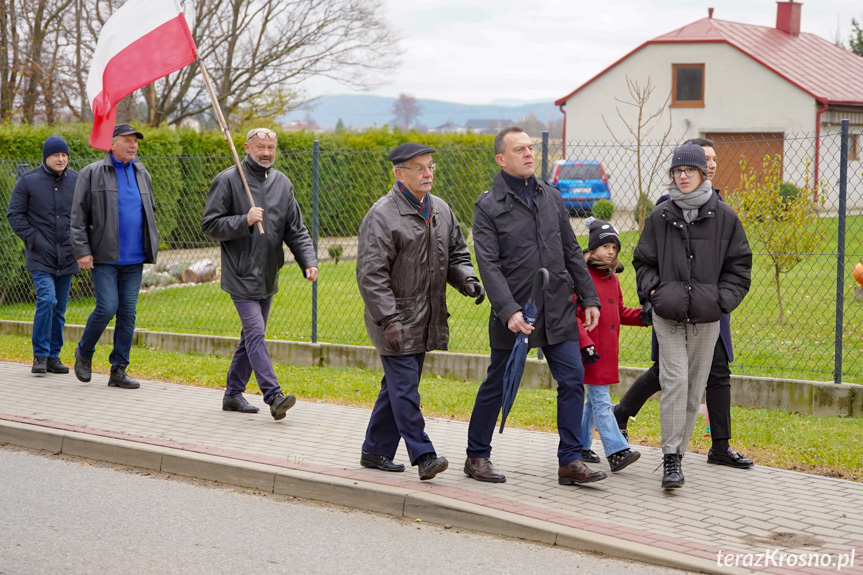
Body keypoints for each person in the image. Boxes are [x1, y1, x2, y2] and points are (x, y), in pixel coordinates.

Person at [466, 126, 606, 486]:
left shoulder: (551, 196)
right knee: (498, 381)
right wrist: (508, 309)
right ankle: (477, 456)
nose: (529, 154)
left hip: (558, 305)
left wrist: (588, 296)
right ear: (501, 159)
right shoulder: (488, 206)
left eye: (530, 148)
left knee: (573, 379)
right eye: (519, 149)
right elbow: (488, 264)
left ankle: (570, 461)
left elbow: (571, 250)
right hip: (516, 311)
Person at [614, 138, 755, 470]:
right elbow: (644, 260)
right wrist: (654, 295)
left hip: (707, 314)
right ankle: (671, 456)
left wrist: (722, 300)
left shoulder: (724, 215)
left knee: (701, 382)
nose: (684, 175)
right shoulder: (662, 213)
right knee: (673, 378)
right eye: (679, 169)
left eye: (691, 169)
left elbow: (739, 264)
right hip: (670, 312)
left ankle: (716, 445)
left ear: (703, 173)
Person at [356, 142, 484, 481]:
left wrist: (468, 280)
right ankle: (424, 454)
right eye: (418, 167)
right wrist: (388, 319)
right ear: (399, 173)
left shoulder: (440, 209)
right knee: (405, 389)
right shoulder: (382, 215)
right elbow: (371, 274)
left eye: (430, 166)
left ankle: (375, 450)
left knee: (396, 387)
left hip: (426, 316)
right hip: (394, 320)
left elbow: (456, 254)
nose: (427, 173)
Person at [202, 128, 318, 421]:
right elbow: (210, 224)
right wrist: (245, 220)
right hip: (240, 273)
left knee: (249, 338)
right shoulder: (229, 179)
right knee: (255, 333)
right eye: (260, 147)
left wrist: (308, 260)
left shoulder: (282, 183)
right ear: (246, 147)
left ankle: (232, 394)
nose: (266, 153)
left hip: (268, 273)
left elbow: (296, 230)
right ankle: (273, 395)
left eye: (271, 147)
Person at [70, 124, 158, 390]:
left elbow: (149, 211)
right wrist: (82, 250)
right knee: (108, 307)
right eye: (128, 141)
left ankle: (118, 370)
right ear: (112, 144)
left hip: (134, 258)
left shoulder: (142, 172)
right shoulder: (92, 173)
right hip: (104, 257)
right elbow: (78, 217)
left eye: (135, 142)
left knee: (128, 313)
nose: (133, 146)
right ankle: (84, 352)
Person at [576, 218, 644, 473]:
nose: (610, 252)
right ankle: (616, 451)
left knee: (593, 402)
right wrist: (585, 344)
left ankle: (581, 446)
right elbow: (573, 315)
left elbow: (620, 312)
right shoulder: (581, 276)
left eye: (614, 248)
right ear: (592, 249)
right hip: (590, 351)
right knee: (602, 401)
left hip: (607, 351)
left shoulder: (612, 279)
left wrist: (643, 317)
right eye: (605, 246)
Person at [7, 136, 79, 374]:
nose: (61, 159)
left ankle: (53, 357)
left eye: (64, 155)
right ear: (46, 157)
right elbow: (14, 215)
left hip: (67, 256)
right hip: (41, 256)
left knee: (59, 309)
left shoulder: (77, 181)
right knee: (47, 300)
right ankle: (39, 355)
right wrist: (35, 240)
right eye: (56, 155)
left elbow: (84, 215)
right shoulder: (28, 181)